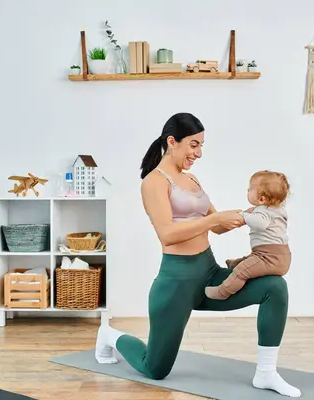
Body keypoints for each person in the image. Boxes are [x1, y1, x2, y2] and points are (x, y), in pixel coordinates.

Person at [95, 112, 301, 398]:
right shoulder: (154, 182)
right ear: (172, 142)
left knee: (275, 287)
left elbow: (216, 226)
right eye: (194, 145)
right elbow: (167, 234)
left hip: (209, 274)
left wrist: (256, 217)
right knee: (155, 369)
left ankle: (266, 373)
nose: (199, 153)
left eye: (201, 145)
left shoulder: (192, 180)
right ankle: (110, 336)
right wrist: (212, 221)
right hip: (176, 283)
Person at [205, 170, 292, 300]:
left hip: (269, 257)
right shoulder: (275, 210)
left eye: (250, 189)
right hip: (275, 256)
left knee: (242, 271)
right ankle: (235, 263)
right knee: (249, 259)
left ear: (262, 198)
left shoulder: (264, 212)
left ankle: (222, 292)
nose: (247, 191)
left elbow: (260, 223)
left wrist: (243, 216)